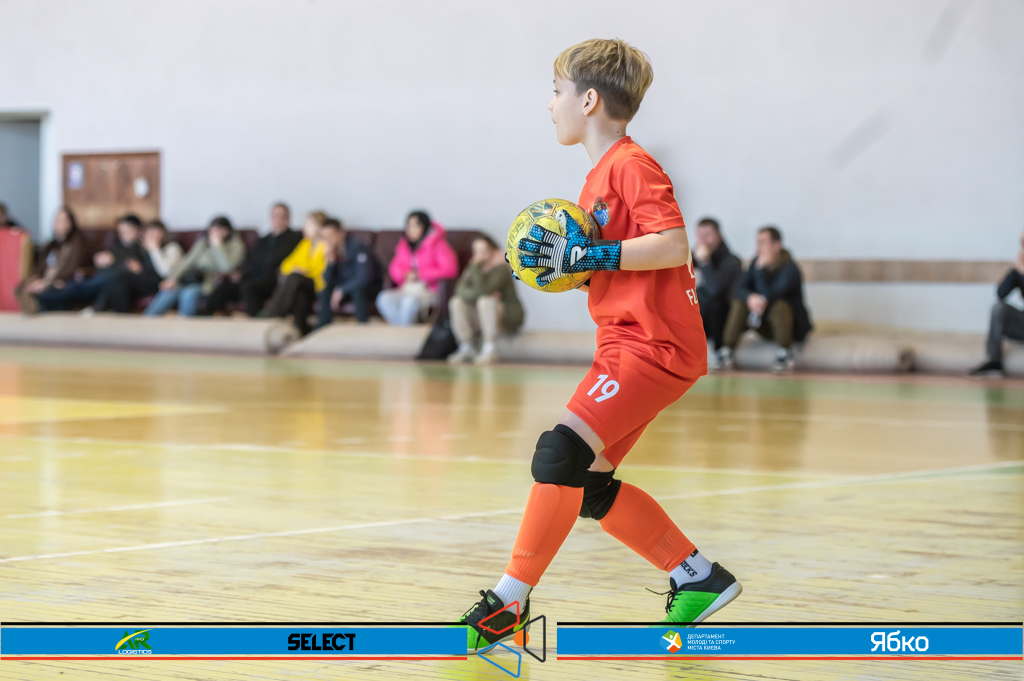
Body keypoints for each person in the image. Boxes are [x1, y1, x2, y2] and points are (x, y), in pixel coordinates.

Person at [458, 39, 741, 652]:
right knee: (587, 483)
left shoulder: (631, 165)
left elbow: (673, 245)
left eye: (556, 91)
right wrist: (568, 269)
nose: (549, 104)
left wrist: (593, 255)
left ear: (587, 100)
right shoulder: (594, 183)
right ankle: (697, 576)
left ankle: (508, 602)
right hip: (625, 343)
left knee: (558, 454)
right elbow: (613, 264)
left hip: (652, 345)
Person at [719, 226, 813, 373]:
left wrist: (760, 271)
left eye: (763, 242)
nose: (758, 247)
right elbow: (738, 289)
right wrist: (750, 297)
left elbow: (770, 295)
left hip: (791, 328)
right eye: (757, 242)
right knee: (740, 303)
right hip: (764, 323)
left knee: (779, 305)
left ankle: (785, 354)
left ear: (776, 246)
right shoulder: (755, 264)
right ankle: (726, 352)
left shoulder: (790, 269)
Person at [203, 202, 302, 317]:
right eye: (275, 216)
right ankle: (206, 319)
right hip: (251, 278)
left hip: (273, 281)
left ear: (288, 218)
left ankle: (256, 321)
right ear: (271, 218)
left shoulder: (294, 238)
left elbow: (275, 261)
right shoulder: (263, 240)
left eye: (282, 216)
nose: (278, 220)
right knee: (224, 287)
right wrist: (240, 272)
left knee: (248, 287)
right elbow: (249, 260)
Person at [34, 214, 146, 312]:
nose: (123, 234)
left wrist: (114, 260)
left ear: (137, 231)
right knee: (79, 288)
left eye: (127, 231)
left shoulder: (140, 249)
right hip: (100, 279)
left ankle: (45, 299)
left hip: (110, 280)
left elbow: (136, 269)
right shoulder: (116, 247)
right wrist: (101, 259)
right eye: (121, 231)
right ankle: (47, 302)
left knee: (80, 288)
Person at [144, 216, 245, 317]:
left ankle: (185, 325)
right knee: (168, 291)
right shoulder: (203, 243)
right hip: (190, 277)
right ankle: (147, 320)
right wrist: (172, 278)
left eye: (220, 229)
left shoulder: (236, 245)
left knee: (188, 292)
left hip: (208, 281)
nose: (216, 233)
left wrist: (218, 245)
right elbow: (187, 261)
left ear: (228, 231)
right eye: (213, 229)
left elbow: (227, 267)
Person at [446, 235, 524, 364]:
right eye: (476, 251)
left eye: (483, 251)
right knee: (456, 302)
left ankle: (490, 346)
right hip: (480, 316)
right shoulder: (473, 267)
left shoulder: (501, 268)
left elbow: (484, 290)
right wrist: (475, 273)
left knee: (485, 300)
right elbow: (459, 290)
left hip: (505, 317)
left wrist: (475, 268)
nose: (479, 255)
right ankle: (466, 345)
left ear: (492, 251)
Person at [375, 211, 458, 325]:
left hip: (429, 290)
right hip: (407, 288)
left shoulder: (439, 245)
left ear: (424, 227)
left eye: (415, 226)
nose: (411, 230)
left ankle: (404, 329)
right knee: (384, 299)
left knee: (409, 302)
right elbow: (394, 268)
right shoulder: (404, 245)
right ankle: (402, 328)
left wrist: (420, 275)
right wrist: (405, 275)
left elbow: (450, 270)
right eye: (408, 226)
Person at [94, 220, 182, 313]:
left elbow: (166, 272)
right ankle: (106, 310)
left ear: (163, 234)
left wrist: (154, 249)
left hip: (159, 282)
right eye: (148, 232)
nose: (150, 235)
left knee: (119, 278)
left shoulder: (172, 248)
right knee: (116, 277)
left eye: (155, 232)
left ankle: (104, 309)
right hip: (142, 280)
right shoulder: (142, 249)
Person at [14, 206, 91, 313]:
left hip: (63, 283)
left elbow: (72, 269)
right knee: (21, 286)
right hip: (46, 281)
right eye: (57, 220)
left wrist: (48, 283)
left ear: (70, 223)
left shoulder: (78, 244)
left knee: (55, 292)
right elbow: (40, 266)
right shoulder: (50, 246)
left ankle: (38, 304)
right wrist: (34, 280)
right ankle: (34, 302)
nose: (59, 224)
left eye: (63, 220)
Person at [264, 211, 329, 335]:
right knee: (300, 293)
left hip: (318, 285)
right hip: (303, 284)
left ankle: (274, 313)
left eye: (308, 224)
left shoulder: (326, 245)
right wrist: (297, 269)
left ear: (318, 226)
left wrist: (303, 271)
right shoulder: (306, 243)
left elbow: (322, 271)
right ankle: (301, 329)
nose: (305, 227)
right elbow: (286, 265)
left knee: (295, 278)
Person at [969, 231, 1024, 377]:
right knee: (999, 309)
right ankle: (994, 362)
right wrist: (1015, 271)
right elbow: (1001, 293)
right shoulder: (1019, 270)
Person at [692, 217, 741, 362]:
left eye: (708, 235)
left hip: (722, 318)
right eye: (700, 235)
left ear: (719, 236)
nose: (703, 241)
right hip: (699, 315)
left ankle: (718, 351)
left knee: (711, 299)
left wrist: (705, 262)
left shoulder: (731, 261)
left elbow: (715, 291)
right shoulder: (691, 258)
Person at [318, 218, 381, 327]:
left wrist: (342, 289)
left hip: (366, 288)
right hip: (345, 289)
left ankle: (362, 327)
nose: (328, 241)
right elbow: (327, 281)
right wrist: (330, 263)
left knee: (358, 290)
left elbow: (364, 277)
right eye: (324, 237)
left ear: (341, 233)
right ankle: (322, 328)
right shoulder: (332, 253)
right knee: (326, 291)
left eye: (330, 236)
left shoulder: (359, 247)